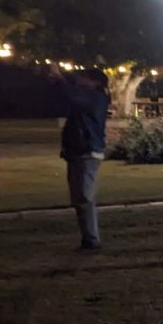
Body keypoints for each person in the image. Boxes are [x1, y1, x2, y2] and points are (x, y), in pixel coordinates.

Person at [60, 67, 110, 251]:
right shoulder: (88, 98)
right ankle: (88, 238)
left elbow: (75, 100)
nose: (78, 80)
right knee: (78, 198)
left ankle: (91, 239)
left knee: (84, 197)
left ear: (95, 82)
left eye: (84, 78)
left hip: (88, 151)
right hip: (77, 151)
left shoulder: (96, 98)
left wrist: (60, 79)